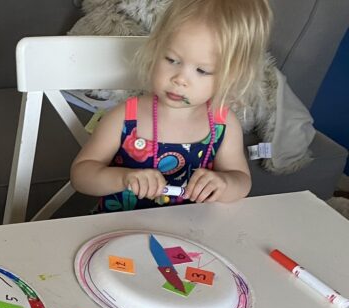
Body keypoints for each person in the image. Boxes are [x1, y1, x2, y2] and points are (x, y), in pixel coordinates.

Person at [71, 0, 272, 212]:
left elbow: (241, 182)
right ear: (156, 49)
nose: (180, 79)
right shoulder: (125, 117)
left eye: (202, 70)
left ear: (232, 77)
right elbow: (81, 175)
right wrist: (123, 178)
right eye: (171, 59)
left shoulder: (223, 124)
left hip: (190, 232)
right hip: (120, 228)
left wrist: (224, 184)